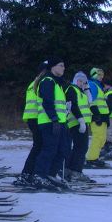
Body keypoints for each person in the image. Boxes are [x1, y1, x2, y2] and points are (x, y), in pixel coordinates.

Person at [31, 58, 71, 190]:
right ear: (53, 67)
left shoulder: (56, 83)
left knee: (63, 150)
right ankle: (39, 175)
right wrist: (54, 119)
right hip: (49, 122)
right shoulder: (47, 81)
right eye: (61, 65)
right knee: (49, 150)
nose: (63, 68)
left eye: (64, 66)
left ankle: (51, 174)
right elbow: (47, 102)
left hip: (60, 122)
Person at [13, 62, 49, 187]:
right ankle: (28, 173)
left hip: (32, 117)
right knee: (39, 146)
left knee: (38, 146)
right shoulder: (41, 82)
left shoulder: (34, 82)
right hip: (37, 117)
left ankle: (28, 173)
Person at [63, 71, 93, 183]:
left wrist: (87, 89)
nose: (82, 83)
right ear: (75, 80)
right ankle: (76, 172)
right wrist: (81, 121)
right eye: (80, 81)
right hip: (77, 123)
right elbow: (73, 106)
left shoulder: (81, 92)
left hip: (80, 124)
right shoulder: (72, 89)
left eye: (84, 82)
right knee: (81, 148)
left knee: (78, 148)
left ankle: (69, 171)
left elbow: (90, 102)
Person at [85, 67, 110, 168]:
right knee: (98, 137)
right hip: (97, 116)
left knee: (102, 139)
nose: (101, 77)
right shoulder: (92, 85)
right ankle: (91, 159)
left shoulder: (99, 86)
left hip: (103, 117)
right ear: (93, 74)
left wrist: (106, 117)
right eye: (99, 74)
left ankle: (95, 157)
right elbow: (91, 100)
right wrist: (96, 114)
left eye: (102, 75)